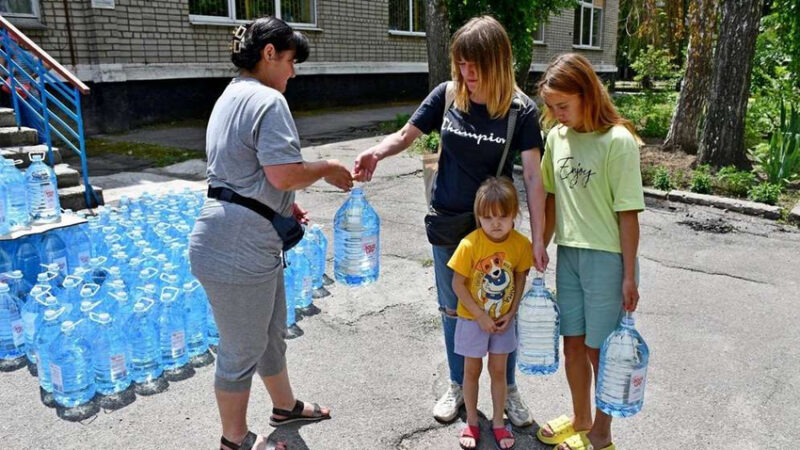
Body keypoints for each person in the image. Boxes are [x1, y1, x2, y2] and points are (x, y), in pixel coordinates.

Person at [353, 15, 547, 426]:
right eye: (460, 63)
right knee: (452, 308)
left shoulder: (520, 111)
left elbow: (533, 176)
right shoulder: (447, 95)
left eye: (475, 65)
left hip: (494, 228)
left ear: (498, 62)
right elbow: (406, 135)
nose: (466, 73)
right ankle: (459, 384)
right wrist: (376, 152)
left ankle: (506, 388)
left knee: (501, 305)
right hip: (448, 224)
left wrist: (539, 239)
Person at [188, 17, 352, 450]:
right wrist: (328, 168)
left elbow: (242, 171)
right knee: (241, 349)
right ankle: (236, 439)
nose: (293, 72)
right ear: (269, 55)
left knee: (270, 331)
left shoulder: (231, 95)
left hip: (239, 234)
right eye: (292, 61)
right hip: (237, 245)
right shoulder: (267, 99)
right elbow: (283, 173)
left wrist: (280, 205)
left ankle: (284, 406)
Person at [535, 53, 644, 450]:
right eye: (550, 107)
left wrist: (629, 274)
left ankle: (601, 434)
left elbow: (628, 213)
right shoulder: (556, 139)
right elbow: (549, 199)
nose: (557, 114)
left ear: (587, 95)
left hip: (608, 260)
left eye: (563, 106)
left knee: (602, 352)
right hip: (570, 255)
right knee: (573, 346)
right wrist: (539, 245)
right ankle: (580, 418)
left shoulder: (618, 141)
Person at [448, 177, 531, 449]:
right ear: (478, 216)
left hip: (503, 322)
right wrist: (480, 315)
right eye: (487, 217)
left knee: (499, 372)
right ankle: (472, 421)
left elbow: (520, 277)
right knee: (471, 371)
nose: (495, 223)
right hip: (473, 320)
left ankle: (498, 422)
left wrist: (513, 311)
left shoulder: (521, 244)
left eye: (502, 216)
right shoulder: (469, 245)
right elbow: (457, 284)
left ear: (514, 214)